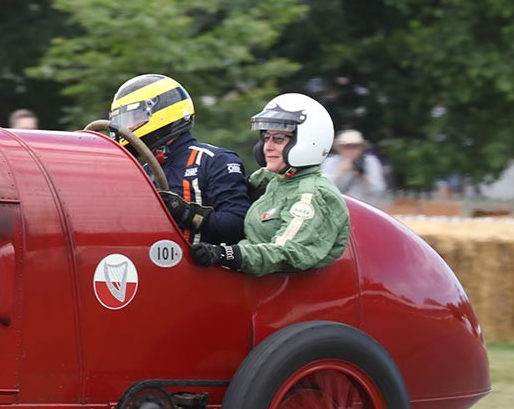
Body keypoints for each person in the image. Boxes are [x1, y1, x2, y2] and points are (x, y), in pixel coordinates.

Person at [190, 92, 350, 275]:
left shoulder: (310, 195)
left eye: (279, 139)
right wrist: (189, 213)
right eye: (266, 138)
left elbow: (286, 251)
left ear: (308, 142)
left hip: (278, 288)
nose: (268, 147)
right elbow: (230, 194)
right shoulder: (274, 178)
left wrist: (225, 254)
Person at [108, 74, 248, 244]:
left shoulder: (216, 160)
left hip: (200, 260)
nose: (127, 128)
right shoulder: (143, 171)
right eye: (124, 121)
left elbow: (237, 226)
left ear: (163, 114)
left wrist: (186, 213)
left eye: (133, 119)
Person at [319, 129, 388, 204]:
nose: (351, 151)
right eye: (347, 147)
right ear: (340, 149)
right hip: (338, 205)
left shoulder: (370, 162)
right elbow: (322, 187)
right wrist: (341, 172)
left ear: (361, 148)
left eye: (355, 147)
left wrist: (364, 177)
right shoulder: (331, 162)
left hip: (363, 204)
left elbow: (379, 189)